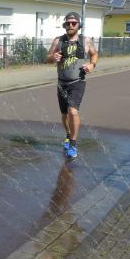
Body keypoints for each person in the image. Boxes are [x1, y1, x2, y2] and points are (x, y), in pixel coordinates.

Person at [45, 12, 98, 159]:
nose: (70, 25)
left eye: (74, 23)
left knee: (72, 112)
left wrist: (92, 64)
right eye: (68, 23)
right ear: (64, 25)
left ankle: (73, 144)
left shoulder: (85, 41)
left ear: (79, 25)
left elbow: (94, 54)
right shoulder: (58, 41)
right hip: (62, 83)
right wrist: (53, 57)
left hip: (77, 82)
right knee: (64, 114)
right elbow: (47, 58)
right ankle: (68, 135)